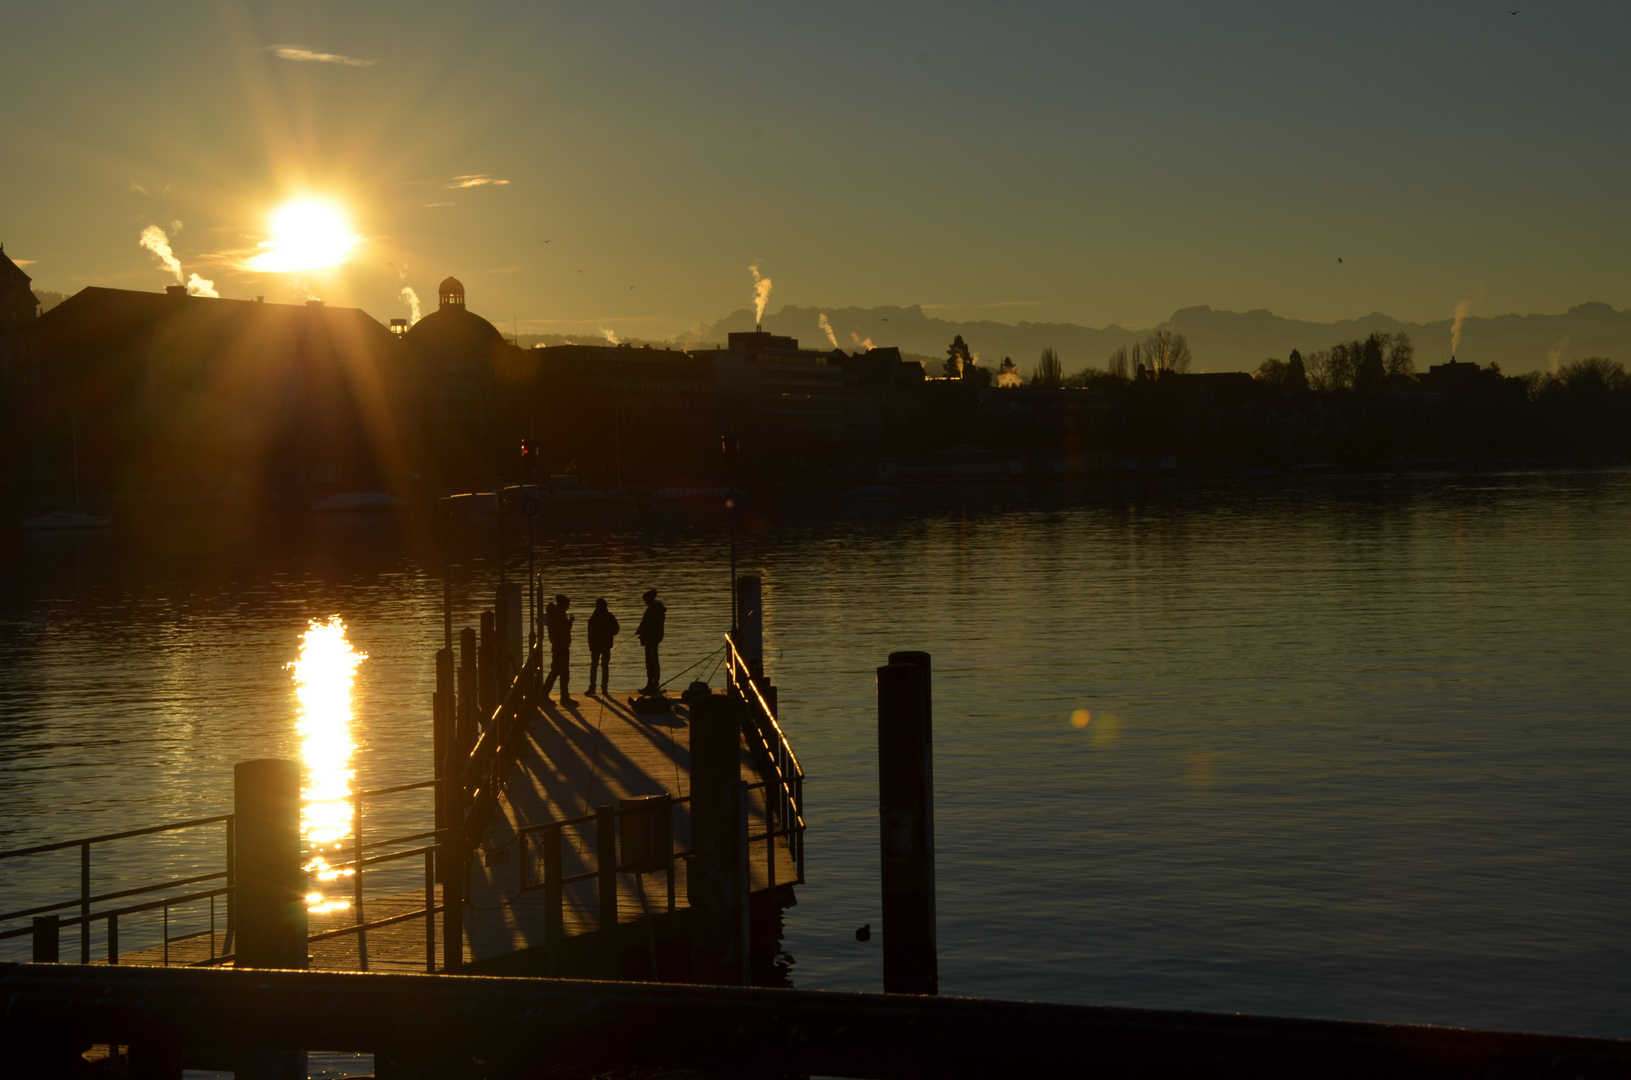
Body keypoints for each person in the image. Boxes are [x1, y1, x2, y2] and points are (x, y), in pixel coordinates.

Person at [541, 593, 574, 703]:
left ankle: (547, 694)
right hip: (561, 647)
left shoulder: (555, 614)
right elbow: (563, 631)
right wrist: (570, 622)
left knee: (556, 671)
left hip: (558, 646)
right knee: (561, 672)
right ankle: (562, 697)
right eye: (567, 604)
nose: (568, 607)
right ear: (563, 605)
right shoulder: (559, 615)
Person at [586, 597, 619, 695]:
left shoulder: (593, 618)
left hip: (597, 646)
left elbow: (590, 634)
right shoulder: (609, 616)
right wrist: (609, 634)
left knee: (594, 666)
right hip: (605, 645)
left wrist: (591, 645)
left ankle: (593, 687)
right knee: (604, 666)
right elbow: (616, 629)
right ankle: (604, 688)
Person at [635, 588, 666, 694]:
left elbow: (650, 626)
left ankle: (655, 684)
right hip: (649, 639)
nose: (645, 603)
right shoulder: (652, 609)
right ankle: (650, 683)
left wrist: (644, 633)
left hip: (652, 640)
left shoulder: (654, 610)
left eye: (645, 601)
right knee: (649, 661)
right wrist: (640, 631)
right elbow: (645, 624)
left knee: (653, 662)